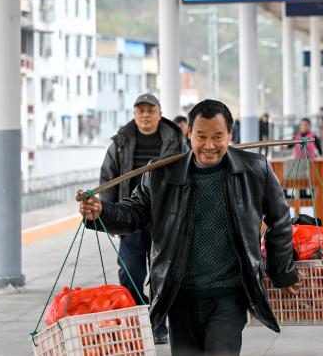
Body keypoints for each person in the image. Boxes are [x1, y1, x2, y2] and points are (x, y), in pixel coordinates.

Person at [80, 99, 300, 356]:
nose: (209, 145)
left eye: (218, 136)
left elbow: (280, 219)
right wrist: (102, 212)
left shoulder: (254, 169)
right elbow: (135, 212)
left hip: (229, 294)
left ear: (230, 134)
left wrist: (281, 271)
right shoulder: (161, 173)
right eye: (201, 136)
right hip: (179, 294)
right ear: (189, 134)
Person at [98, 93, 184, 344]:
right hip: (130, 217)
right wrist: (109, 216)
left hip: (164, 219)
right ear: (135, 114)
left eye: (150, 110)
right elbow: (108, 178)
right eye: (140, 111)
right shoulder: (121, 142)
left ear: (160, 112)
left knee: (162, 274)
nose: (145, 115)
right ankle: (136, 321)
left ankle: (158, 324)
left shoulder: (176, 141)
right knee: (129, 272)